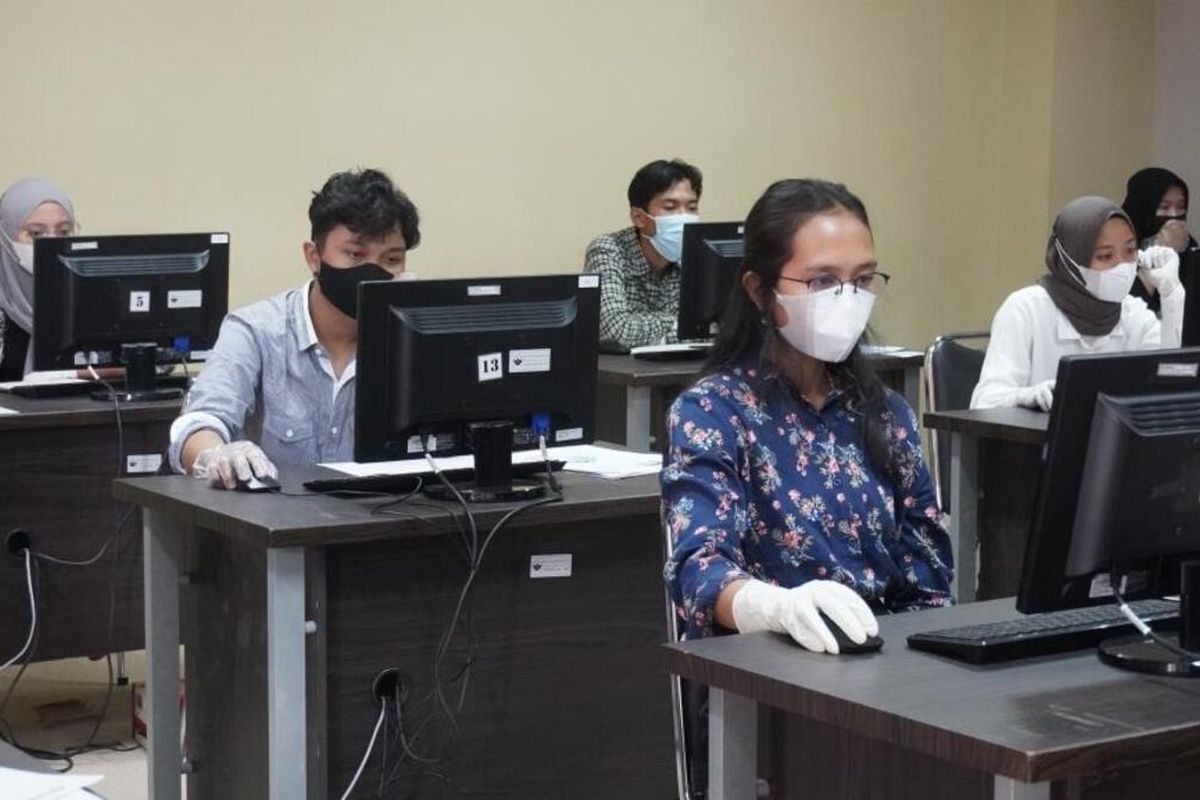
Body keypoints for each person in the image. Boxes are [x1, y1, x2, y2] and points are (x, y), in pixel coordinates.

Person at [662, 178, 954, 653]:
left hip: (886, 661)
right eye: (821, 281)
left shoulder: (886, 412)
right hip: (773, 664)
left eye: (862, 280)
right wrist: (776, 608)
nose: (847, 298)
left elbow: (930, 574)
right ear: (760, 291)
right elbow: (699, 568)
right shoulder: (713, 412)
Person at [168, 168, 420, 489]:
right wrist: (217, 453)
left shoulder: (411, 341)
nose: (374, 272)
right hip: (275, 528)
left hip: (384, 523)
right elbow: (199, 422)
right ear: (314, 257)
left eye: (392, 259)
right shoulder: (254, 330)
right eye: (355, 254)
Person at [971, 196, 1183, 410]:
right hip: (1035, 443)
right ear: (1071, 260)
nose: (1122, 266)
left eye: (1130, 251)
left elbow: (1171, 387)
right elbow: (984, 403)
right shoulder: (1025, 309)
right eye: (1105, 256)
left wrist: (1172, 295)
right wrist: (1025, 397)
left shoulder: (1134, 314)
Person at [583, 158, 702, 349]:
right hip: (625, 375)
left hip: (687, 371)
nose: (683, 216)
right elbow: (614, 331)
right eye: (670, 207)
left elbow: (719, 331)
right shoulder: (608, 249)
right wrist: (681, 326)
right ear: (639, 217)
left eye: (692, 208)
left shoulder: (700, 253)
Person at [0, 178, 76, 381]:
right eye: (36, 233)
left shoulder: (83, 303)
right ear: (4, 236)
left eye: (63, 231)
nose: (51, 242)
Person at [1121, 167, 1198, 314]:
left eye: (1181, 207)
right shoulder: (1115, 247)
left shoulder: (1187, 245)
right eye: (1164, 207)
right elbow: (1124, 311)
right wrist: (1158, 253)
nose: (1174, 216)